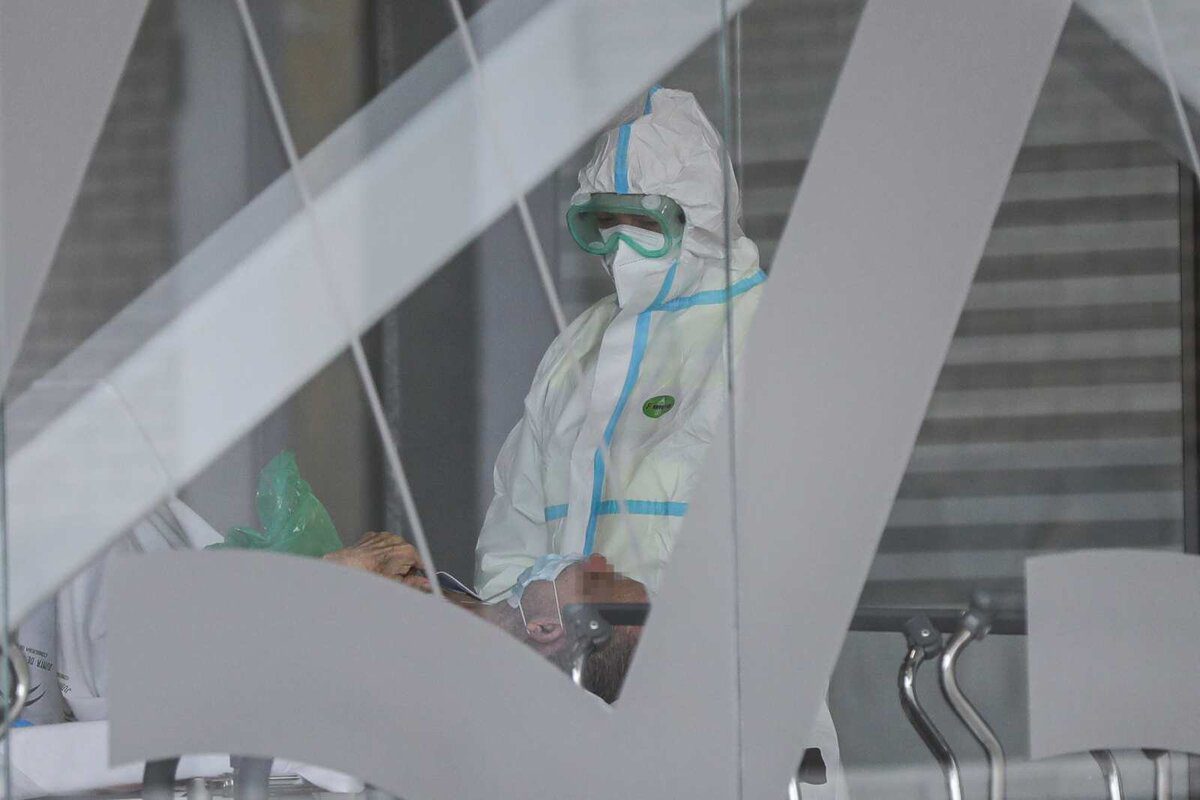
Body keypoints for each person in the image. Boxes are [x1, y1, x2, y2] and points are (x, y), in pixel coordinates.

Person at [329, 86, 848, 798]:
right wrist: (523, 618)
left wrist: (623, 625)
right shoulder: (576, 353)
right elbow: (512, 539)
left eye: (643, 221)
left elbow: (794, 564)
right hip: (569, 722)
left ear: (698, 216)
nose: (620, 244)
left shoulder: (771, 335)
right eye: (603, 222)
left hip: (725, 722)